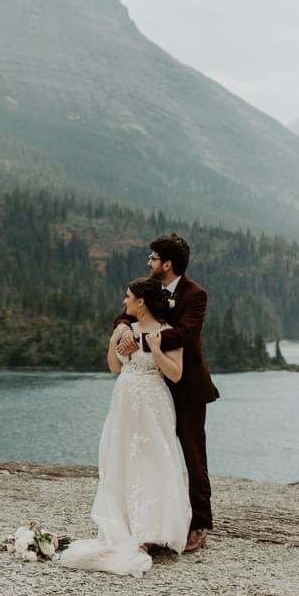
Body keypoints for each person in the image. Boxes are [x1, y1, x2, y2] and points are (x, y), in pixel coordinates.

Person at [59, 276, 192, 577]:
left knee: (155, 458)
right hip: (123, 401)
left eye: (128, 297)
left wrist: (157, 350)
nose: (124, 301)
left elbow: (175, 374)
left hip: (152, 403)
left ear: (141, 302)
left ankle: (153, 528)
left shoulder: (167, 332)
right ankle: (126, 523)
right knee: (122, 459)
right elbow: (115, 366)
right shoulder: (127, 329)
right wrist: (114, 341)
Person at [114, 233, 219, 554]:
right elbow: (126, 314)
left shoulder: (195, 294)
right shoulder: (150, 289)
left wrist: (140, 341)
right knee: (150, 454)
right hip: (151, 388)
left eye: (153, 258)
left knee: (192, 455)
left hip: (186, 386)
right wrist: (122, 329)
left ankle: (199, 524)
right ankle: (152, 521)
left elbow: (186, 334)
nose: (148, 262)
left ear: (168, 264)